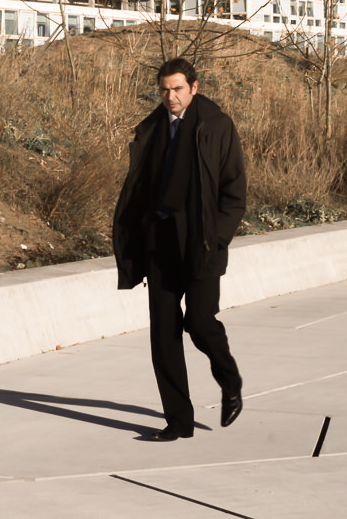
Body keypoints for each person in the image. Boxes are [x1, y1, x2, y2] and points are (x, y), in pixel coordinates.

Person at [112, 56, 246, 440]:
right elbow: (138, 189)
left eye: (178, 89)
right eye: (165, 90)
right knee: (163, 334)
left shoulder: (217, 126)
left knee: (200, 322)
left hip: (200, 242)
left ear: (194, 87)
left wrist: (216, 238)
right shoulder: (152, 128)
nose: (170, 97)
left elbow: (234, 193)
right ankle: (178, 421)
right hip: (159, 243)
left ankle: (230, 379)